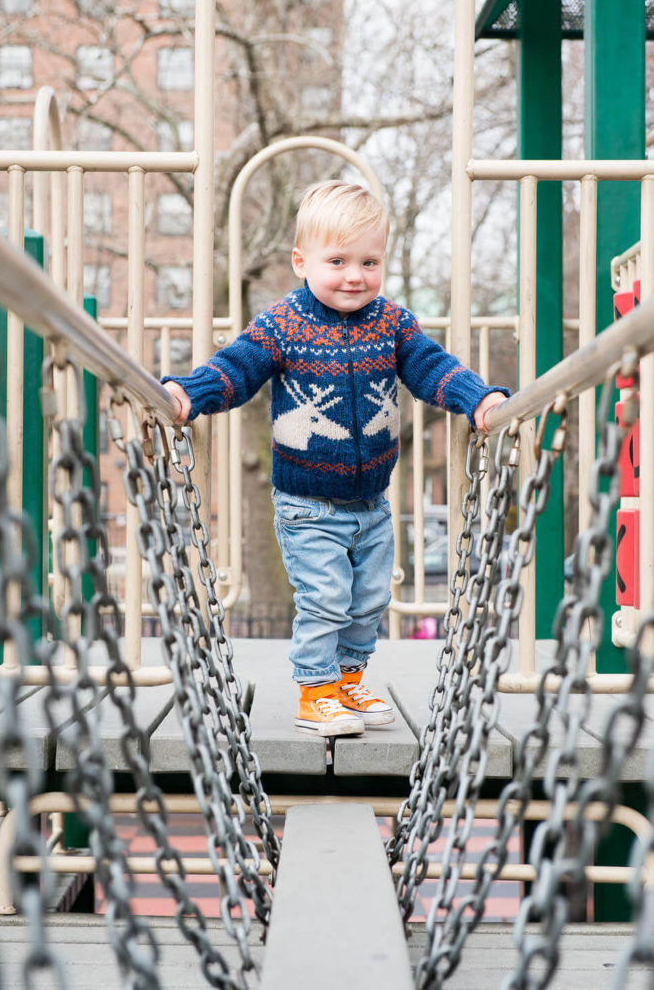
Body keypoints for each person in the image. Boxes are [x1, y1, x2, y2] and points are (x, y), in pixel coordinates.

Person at [162, 180, 509, 738]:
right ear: (302, 262)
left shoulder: (392, 323)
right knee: (325, 598)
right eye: (338, 261)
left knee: (369, 599)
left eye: (369, 262)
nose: (355, 276)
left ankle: (347, 679)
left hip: (372, 501)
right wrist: (188, 393)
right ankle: (315, 688)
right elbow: (237, 368)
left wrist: (478, 399)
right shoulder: (283, 325)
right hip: (307, 504)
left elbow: (431, 367)